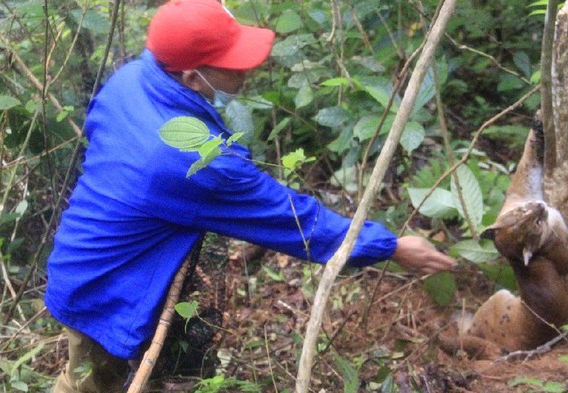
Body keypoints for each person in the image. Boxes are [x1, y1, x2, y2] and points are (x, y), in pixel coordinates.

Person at [45, 0, 457, 391]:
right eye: (233, 67)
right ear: (191, 76)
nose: (247, 72)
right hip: (103, 288)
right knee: (88, 385)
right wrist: (390, 246)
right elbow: (289, 219)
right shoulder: (191, 165)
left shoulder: (132, 79)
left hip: (89, 258)